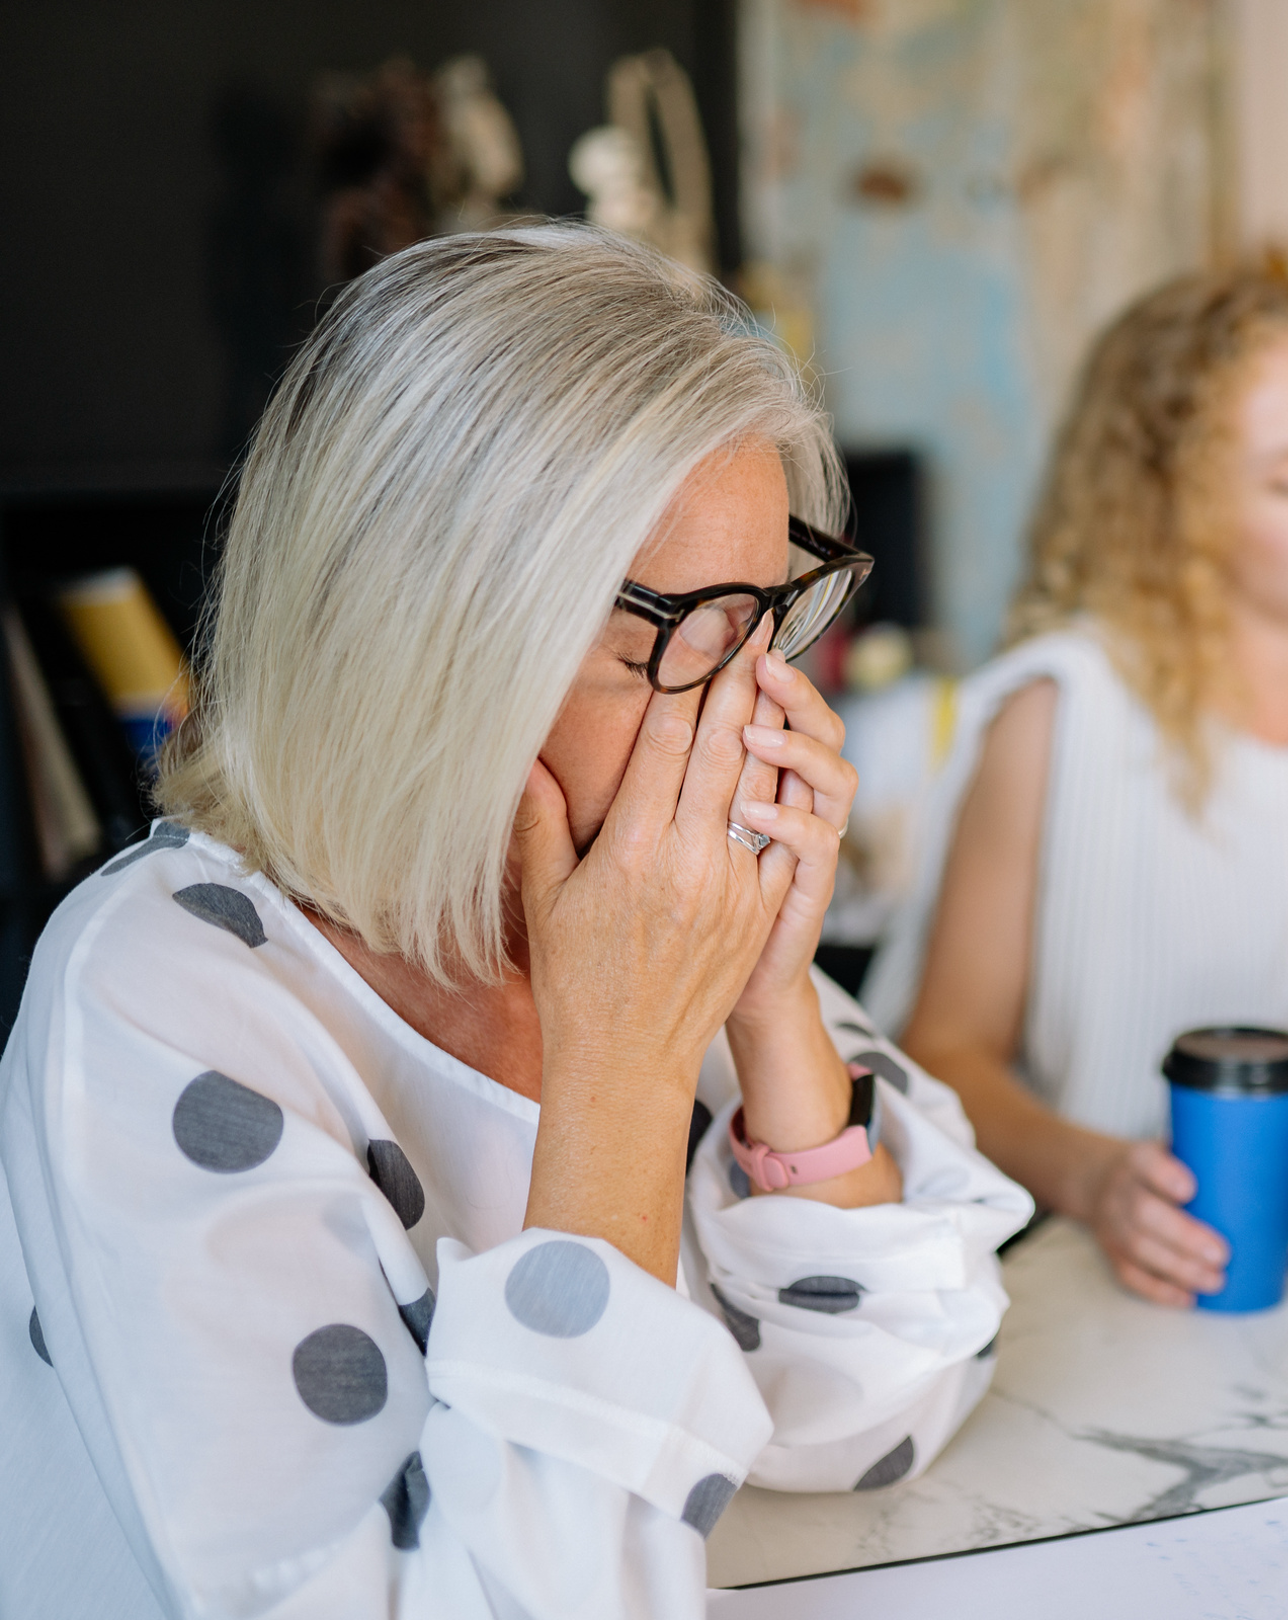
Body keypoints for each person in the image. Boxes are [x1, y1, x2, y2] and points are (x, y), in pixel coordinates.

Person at [0, 226, 1030, 1620]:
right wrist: (620, 1075)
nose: (748, 713)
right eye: (682, 636)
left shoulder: (642, 911)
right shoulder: (162, 994)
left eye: (766, 622)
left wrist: (772, 999)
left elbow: (877, 1409)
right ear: (434, 645)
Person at [865, 261, 1288, 1310]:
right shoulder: (1063, 711)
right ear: (1170, 498)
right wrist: (1100, 1179)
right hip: (1115, 1303)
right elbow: (942, 1051)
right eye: (1286, 479)